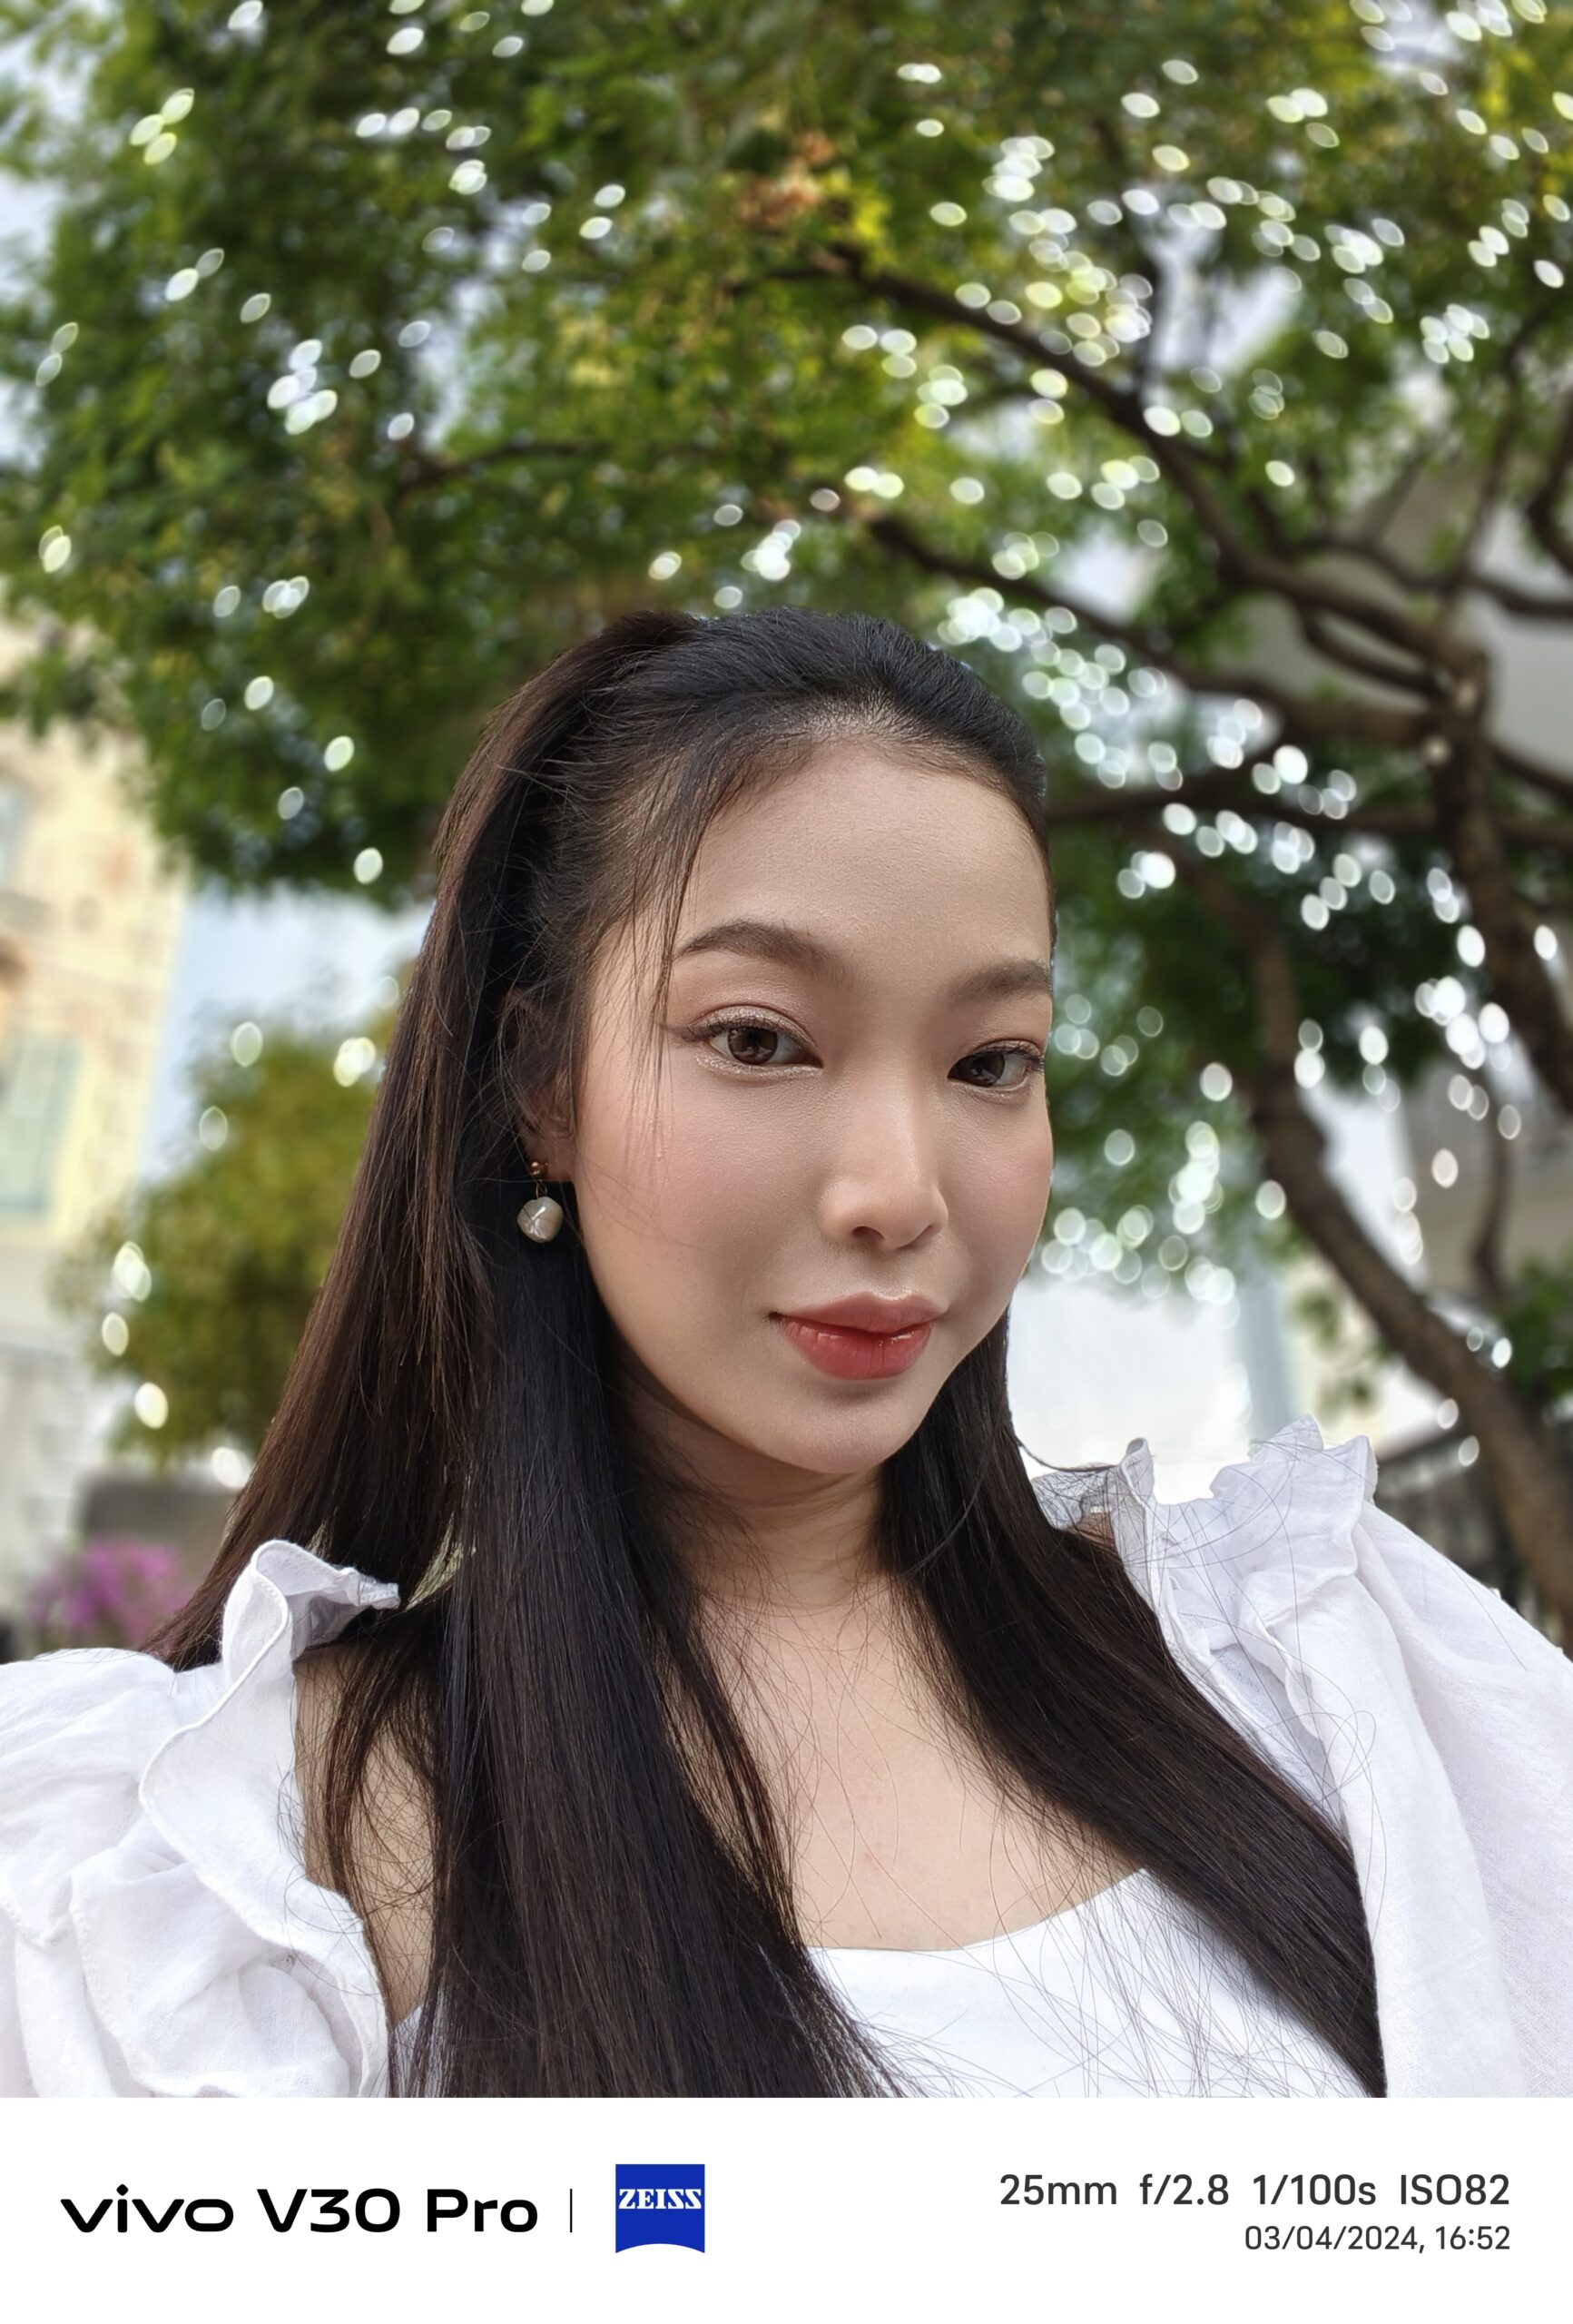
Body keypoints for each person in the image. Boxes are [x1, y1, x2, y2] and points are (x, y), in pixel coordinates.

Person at [2, 606, 1569, 2100]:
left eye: (990, 1062)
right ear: (541, 1087)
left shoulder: (1312, 1671)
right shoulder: (213, 1871)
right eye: (756, 1038)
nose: (897, 1191)